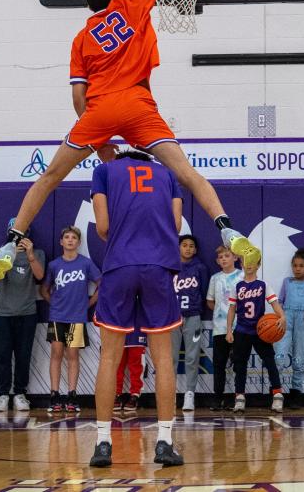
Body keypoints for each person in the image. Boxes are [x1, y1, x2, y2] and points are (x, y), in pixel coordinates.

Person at [0, 0, 260, 281]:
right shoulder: (132, 4)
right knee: (187, 174)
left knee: (49, 178)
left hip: (99, 110)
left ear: (91, 7)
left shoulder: (81, 39)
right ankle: (228, 229)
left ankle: (10, 243)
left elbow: (78, 97)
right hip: (138, 105)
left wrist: (99, 141)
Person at [89, 150, 184, 467]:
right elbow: (176, 223)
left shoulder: (105, 171)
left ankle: (103, 444)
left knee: (109, 356)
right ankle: (165, 441)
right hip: (158, 265)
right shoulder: (168, 173)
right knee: (163, 357)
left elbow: (102, 226)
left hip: (120, 264)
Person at [41, 226, 100, 413]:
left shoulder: (86, 263)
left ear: (79, 242)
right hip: (58, 316)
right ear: (61, 241)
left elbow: (102, 283)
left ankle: (72, 394)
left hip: (77, 317)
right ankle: (54, 394)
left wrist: (88, 304)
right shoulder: (54, 265)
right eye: (66, 237)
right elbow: (44, 290)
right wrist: (55, 304)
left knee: (73, 355)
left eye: (73, 237)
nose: (70, 240)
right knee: (56, 354)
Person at [0, 222, 45, 412]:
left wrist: (29, 255)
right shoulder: (0, 251)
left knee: (23, 355)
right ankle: (2, 394)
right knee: (2, 355)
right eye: (16, 235)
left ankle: (20, 393)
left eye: (23, 235)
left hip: (27, 312)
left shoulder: (38, 254)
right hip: (2, 312)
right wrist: (9, 252)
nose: (20, 239)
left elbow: (40, 275)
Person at [226, 258, 287, 413]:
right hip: (241, 331)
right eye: (246, 262)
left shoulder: (263, 285)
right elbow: (232, 309)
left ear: (259, 265)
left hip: (261, 330)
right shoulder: (237, 286)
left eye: (253, 262)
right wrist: (228, 330)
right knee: (240, 365)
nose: (249, 264)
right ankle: (239, 397)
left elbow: (274, 304)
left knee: (270, 361)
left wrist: (282, 316)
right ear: (241, 265)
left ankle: (278, 395)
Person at [274, 247, 304, 410]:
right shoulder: (287, 282)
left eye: (301, 265)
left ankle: (296, 394)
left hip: (302, 321)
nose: (297, 268)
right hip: (286, 320)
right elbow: (279, 301)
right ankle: (276, 393)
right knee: (279, 356)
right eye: (295, 265)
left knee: (298, 359)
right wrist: (281, 315)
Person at [173, 234, 210, 411]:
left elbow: (203, 292)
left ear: (195, 249)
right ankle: (169, 394)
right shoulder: (170, 266)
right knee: (170, 357)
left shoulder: (200, 268)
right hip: (172, 318)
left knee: (192, 356)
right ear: (178, 247)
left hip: (193, 316)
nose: (188, 248)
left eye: (191, 246)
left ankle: (190, 394)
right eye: (184, 245)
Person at [206, 245, 242, 411]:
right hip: (220, 328)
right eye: (221, 257)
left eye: (227, 256)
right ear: (217, 261)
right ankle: (217, 397)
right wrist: (222, 313)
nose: (224, 259)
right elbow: (210, 300)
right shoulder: (215, 278)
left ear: (235, 257)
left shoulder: (242, 276)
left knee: (238, 363)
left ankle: (238, 396)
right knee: (219, 364)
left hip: (239, 327)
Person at [115, 328, 146, 413]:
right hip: (119, 325)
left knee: (136, 364)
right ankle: (116, 394)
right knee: (117, 364)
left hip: (137, 327)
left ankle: (135, 395)